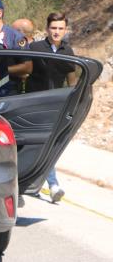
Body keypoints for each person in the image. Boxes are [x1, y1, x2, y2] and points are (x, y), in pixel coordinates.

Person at [28, 12, 78, 204]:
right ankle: (51, 184)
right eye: (53, 28)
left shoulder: (68, 52)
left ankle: (46, 183)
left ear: (65, 30)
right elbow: (24, 73)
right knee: (41, 144)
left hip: (57, 106)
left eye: (60, 28)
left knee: (49, 146)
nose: (57, 32)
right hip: (34, 104)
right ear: (47, 28)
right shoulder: (35, 48)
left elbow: (72, 81)